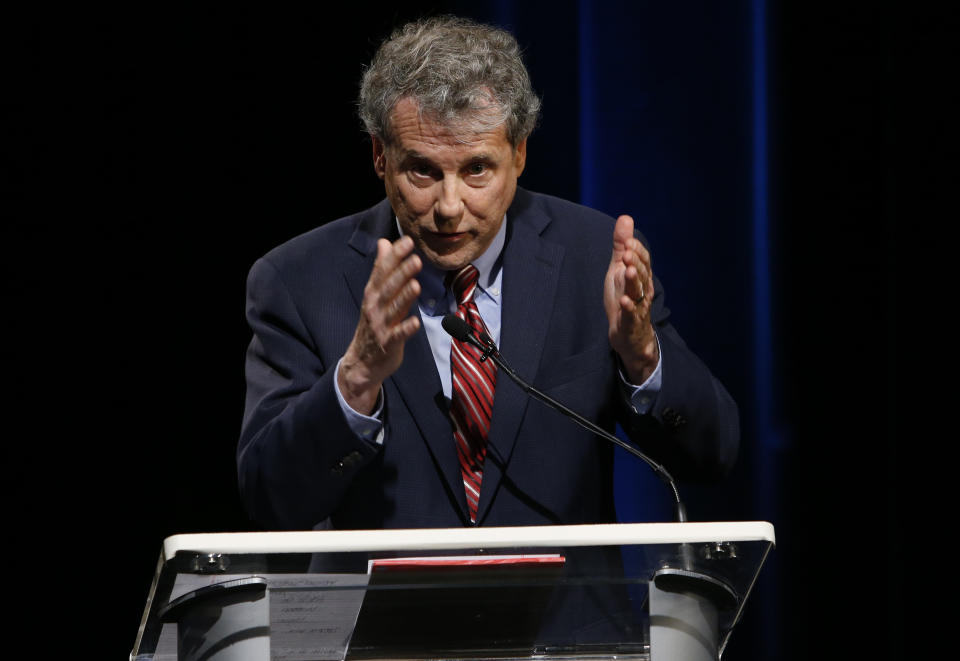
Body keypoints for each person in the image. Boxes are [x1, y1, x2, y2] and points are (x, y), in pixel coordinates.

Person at [237, 16, 738, 534]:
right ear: (380, 157)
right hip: (389, 614)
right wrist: (356, 378)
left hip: (565, 612)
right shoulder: (298, 280)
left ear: (518, 154)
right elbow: (270, 498)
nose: (450, 207)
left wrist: (643, 356)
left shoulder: (594, 258)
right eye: (423, 171)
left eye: (477, 169)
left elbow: (713, 455)